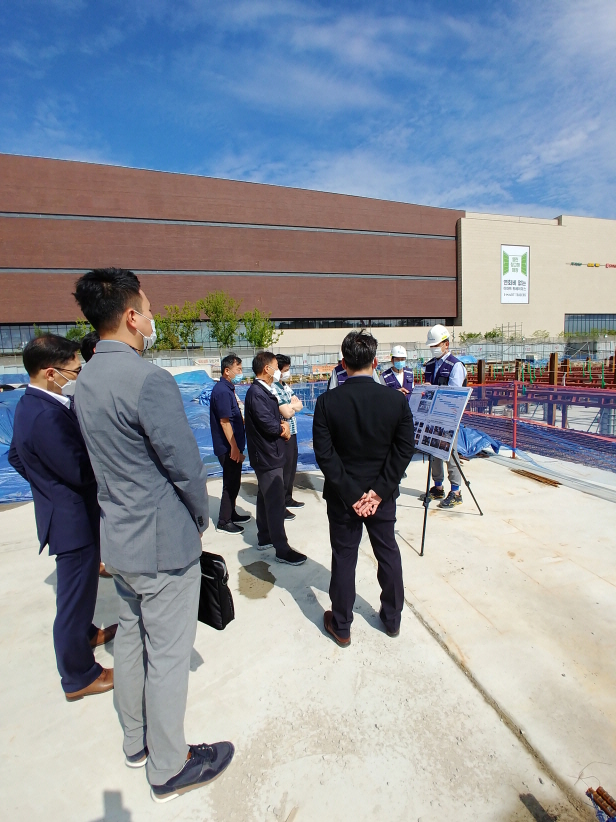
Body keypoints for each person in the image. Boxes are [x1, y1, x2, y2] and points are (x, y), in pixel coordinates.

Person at [73, 268, 233, 803]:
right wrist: (200, 516)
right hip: (163, 543)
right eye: (147, 308)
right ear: (130, 316)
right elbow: (184, 464)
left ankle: (137, 742)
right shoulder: (148, 379)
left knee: (133, 642)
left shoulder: (85, 379)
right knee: (167, 656)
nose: (151, 317)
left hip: (120, 539)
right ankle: (169, 766)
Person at [7, 335, 116, 700]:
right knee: (72, 601)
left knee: (79, 593)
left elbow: (16, 456)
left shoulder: (33, 403)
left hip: (64, 512)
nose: (78, 375)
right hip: (72, 520)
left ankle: (86, 634)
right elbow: (79, 470)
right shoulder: (45, 415)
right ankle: (79, 675)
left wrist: (45, 485)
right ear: (50, 372)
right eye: (75, 370)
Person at [313, 330, 415, 647]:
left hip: (343, 499)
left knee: (344, 557)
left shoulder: (327, 402)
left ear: (343, 363)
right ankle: (392, 619)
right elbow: (404, 449)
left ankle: (342, 625)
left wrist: (353, 494)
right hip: (381, 497)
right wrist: (379, 492)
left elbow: (325, 455)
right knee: (388, 553)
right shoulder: (396, 401)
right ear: (376, 362)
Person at [244, 351, 307, 566]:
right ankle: (282, 548)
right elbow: (267, 423)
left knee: (265, 496)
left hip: (269, 452)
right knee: (275, 501)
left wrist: (282, 424)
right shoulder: (257, 393)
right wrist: (283, 428)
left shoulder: (264, 390)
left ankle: (265, 537)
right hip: (267, 454)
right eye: (276, 367)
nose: (278, 371)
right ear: (267, 369)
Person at [422, 324, 468, 509]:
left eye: (436, 345)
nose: (433, 349)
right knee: (433, 450)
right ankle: (438, 486)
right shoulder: (429, 365)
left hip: (449, 417)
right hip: (433, 417)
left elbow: (454, 394)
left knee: (450, 453)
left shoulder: (456, 366)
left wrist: (434, 390)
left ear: (446, 344)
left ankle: (456, 492)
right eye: (431, 346)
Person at [209, 353, 250, 535]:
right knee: (230, 483)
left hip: (234, 445)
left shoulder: (228, 389)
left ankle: (231, 513)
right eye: (238, 369)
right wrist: (233, 447)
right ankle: (224, 521)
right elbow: (225, 422)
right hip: (227, 447)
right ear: (227, 371)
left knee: (235, 481)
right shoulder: (222, 391)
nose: (240, 373)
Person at [271, 354, 305, 514]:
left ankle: (288, 497)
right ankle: (281, 503)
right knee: (284, 468)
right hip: (283, 432)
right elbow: (286, 412)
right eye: (285, 370)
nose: (287, 373)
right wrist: (291, 407)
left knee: (291, 466)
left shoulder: (284, 386)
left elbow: (299, 405)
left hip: (293, 430)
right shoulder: (273, 388)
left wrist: (291, 406)